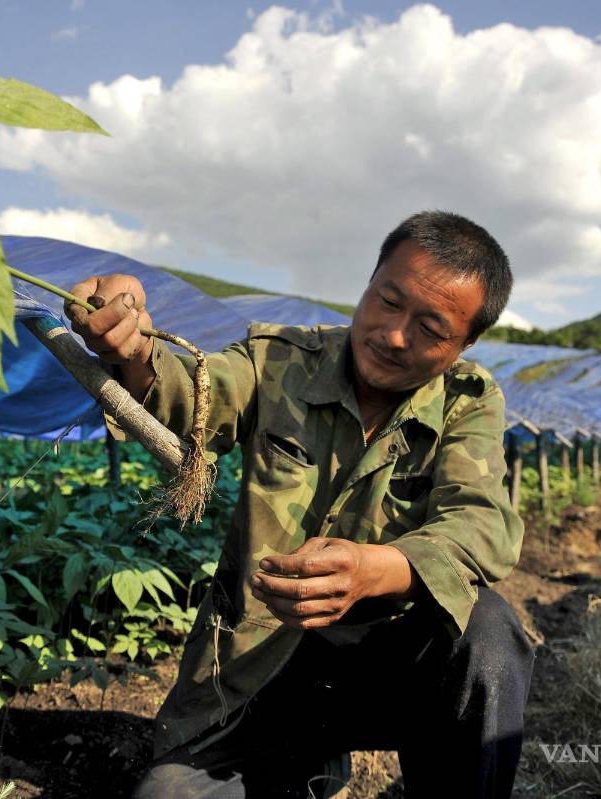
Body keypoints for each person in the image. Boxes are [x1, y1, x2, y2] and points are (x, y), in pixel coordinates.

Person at [66, 211, 535, 798]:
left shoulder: (466, 402)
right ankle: (301, 762)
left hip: (382, 673)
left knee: (488, 632)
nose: (394, 335)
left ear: (464, 344)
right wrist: (132, 348)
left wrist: (375, 571)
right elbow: (189, 394)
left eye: (430, 329)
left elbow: (482, 522)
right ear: (367, 284)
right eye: (388, 302)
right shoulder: (280, 361)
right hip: (255, 670)